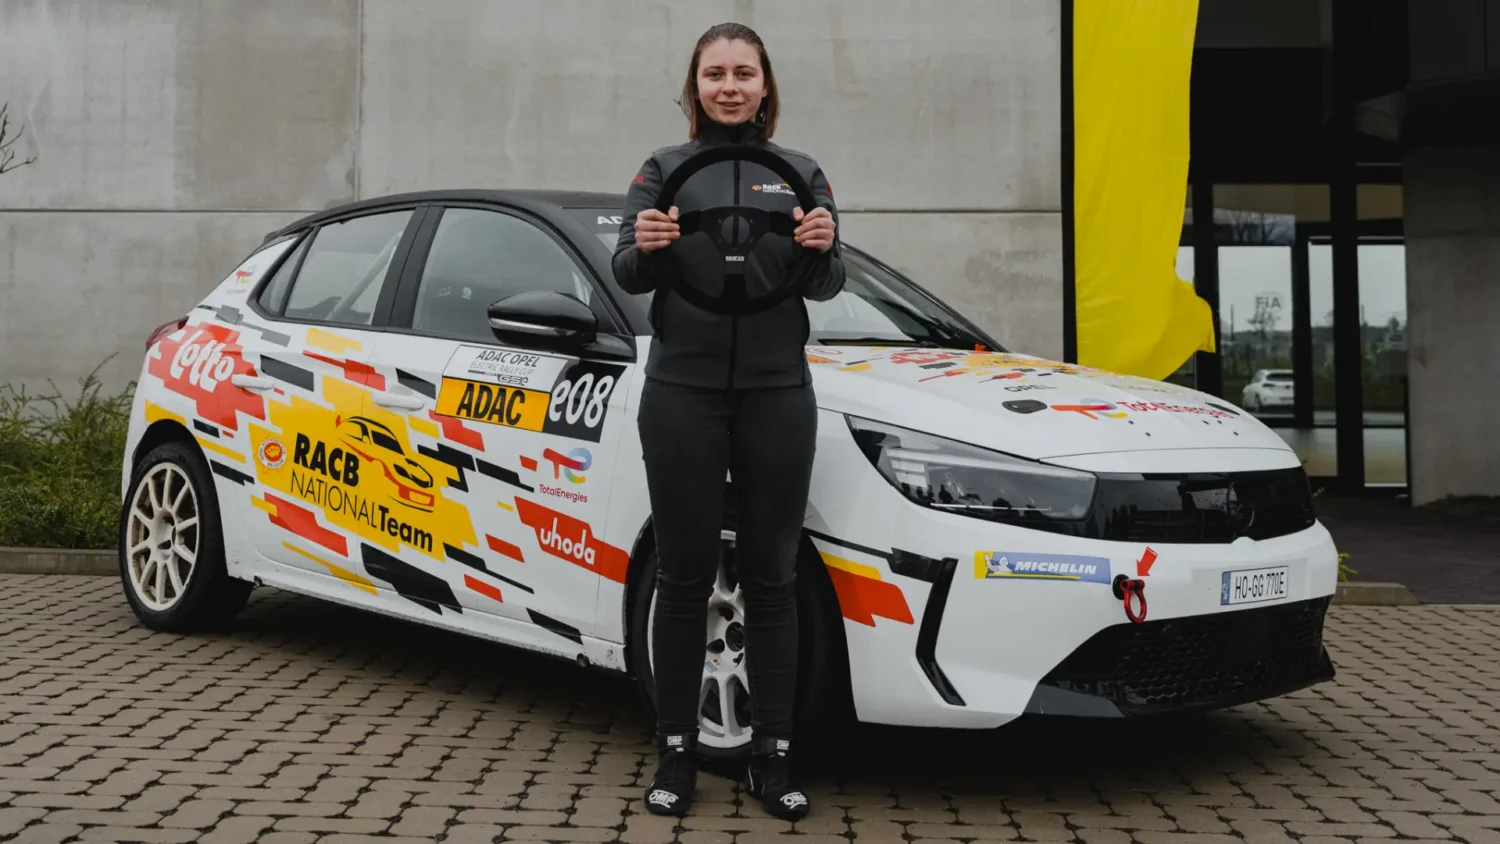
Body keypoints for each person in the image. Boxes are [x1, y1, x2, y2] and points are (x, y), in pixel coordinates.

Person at [611, 22, 843, 822]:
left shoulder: (802, 172)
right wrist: (644, 243)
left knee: (774, 578)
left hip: (779, 390)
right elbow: (629, 271)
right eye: (716, 74)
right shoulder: (664, 169)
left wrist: (822, 242)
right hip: (683, 389)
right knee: (682, 576)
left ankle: (771, 757)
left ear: (766, 86)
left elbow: (829, 282)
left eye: (745, 72)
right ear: (696, 86)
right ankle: (676, 747)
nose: (731, 86)